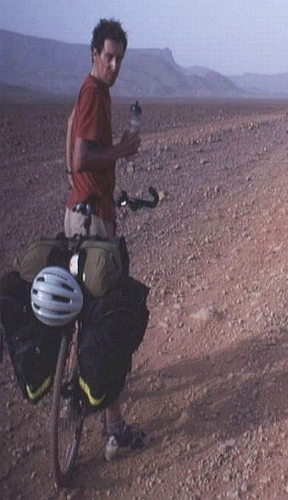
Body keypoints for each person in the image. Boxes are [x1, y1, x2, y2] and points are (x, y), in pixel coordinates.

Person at [65, 18, 146, 462]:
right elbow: (81, 156)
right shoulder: (94, 92)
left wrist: (90, 189)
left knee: (86, 313)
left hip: (82, 213)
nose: (114, 64)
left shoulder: (89, 92)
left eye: (120, 58)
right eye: (108, 55)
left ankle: (75, 389)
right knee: (108, 320)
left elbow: (69, 137)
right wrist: (118, 152)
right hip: (92, 224)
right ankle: (115, 429)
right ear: (94, 52)